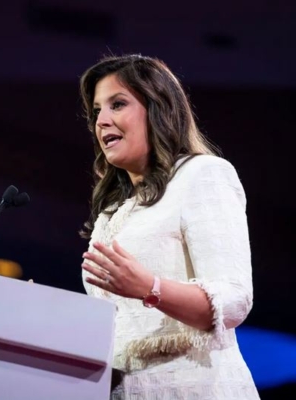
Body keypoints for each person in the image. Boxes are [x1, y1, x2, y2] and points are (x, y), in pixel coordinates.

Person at [79, 54, 261, 399]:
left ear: (158, 108)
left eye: (117, 104)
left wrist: (150, 287)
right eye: (96, 111)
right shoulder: (112, 212)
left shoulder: (202, 174)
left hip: (197, 387)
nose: (101, 121)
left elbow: (234, 299)